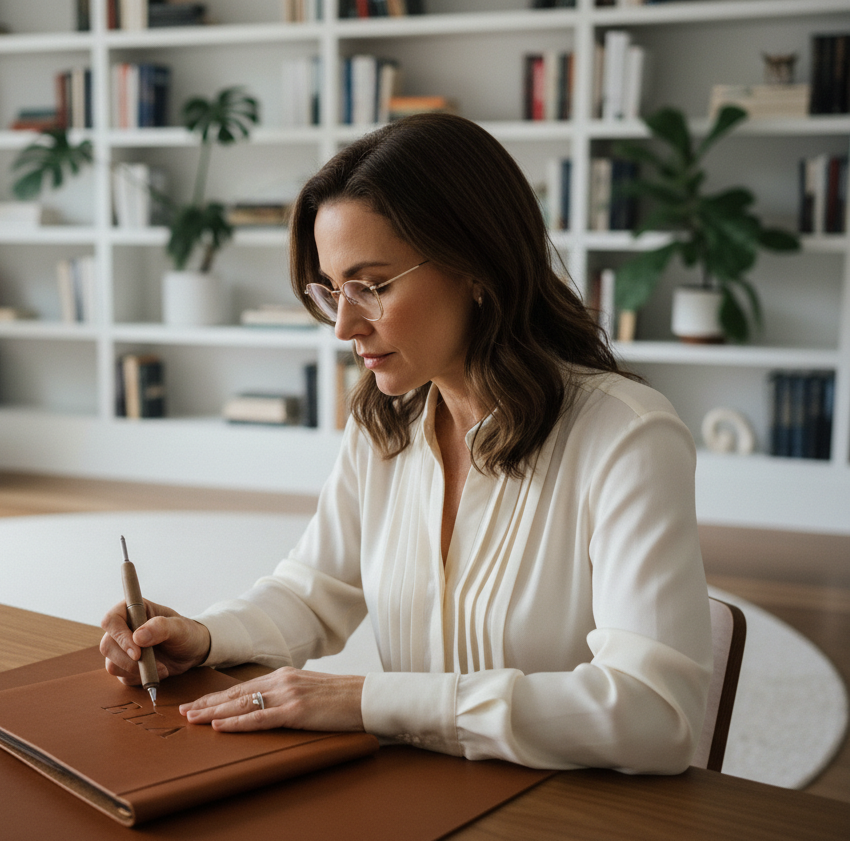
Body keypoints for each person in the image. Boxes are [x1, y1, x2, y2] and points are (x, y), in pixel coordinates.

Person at [100, 113, 712, 774]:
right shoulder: (384, 423)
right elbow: (314, 590)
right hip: (412, 790)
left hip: (562, 806)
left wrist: (367, 701)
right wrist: (202, 637)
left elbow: (656, 714)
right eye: (332, 290)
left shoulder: (628, 436)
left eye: (372, 286)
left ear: (476, 265)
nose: (343, 326)